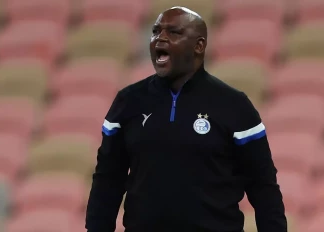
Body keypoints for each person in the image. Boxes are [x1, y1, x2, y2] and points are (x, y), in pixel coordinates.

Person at [85, 6, 287, 232]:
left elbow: (263, 188)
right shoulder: (128, 102)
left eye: (173, 32)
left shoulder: (235, 106)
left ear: (199, 46)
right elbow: (107, 181)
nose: (160, 38)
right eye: (155, 31)